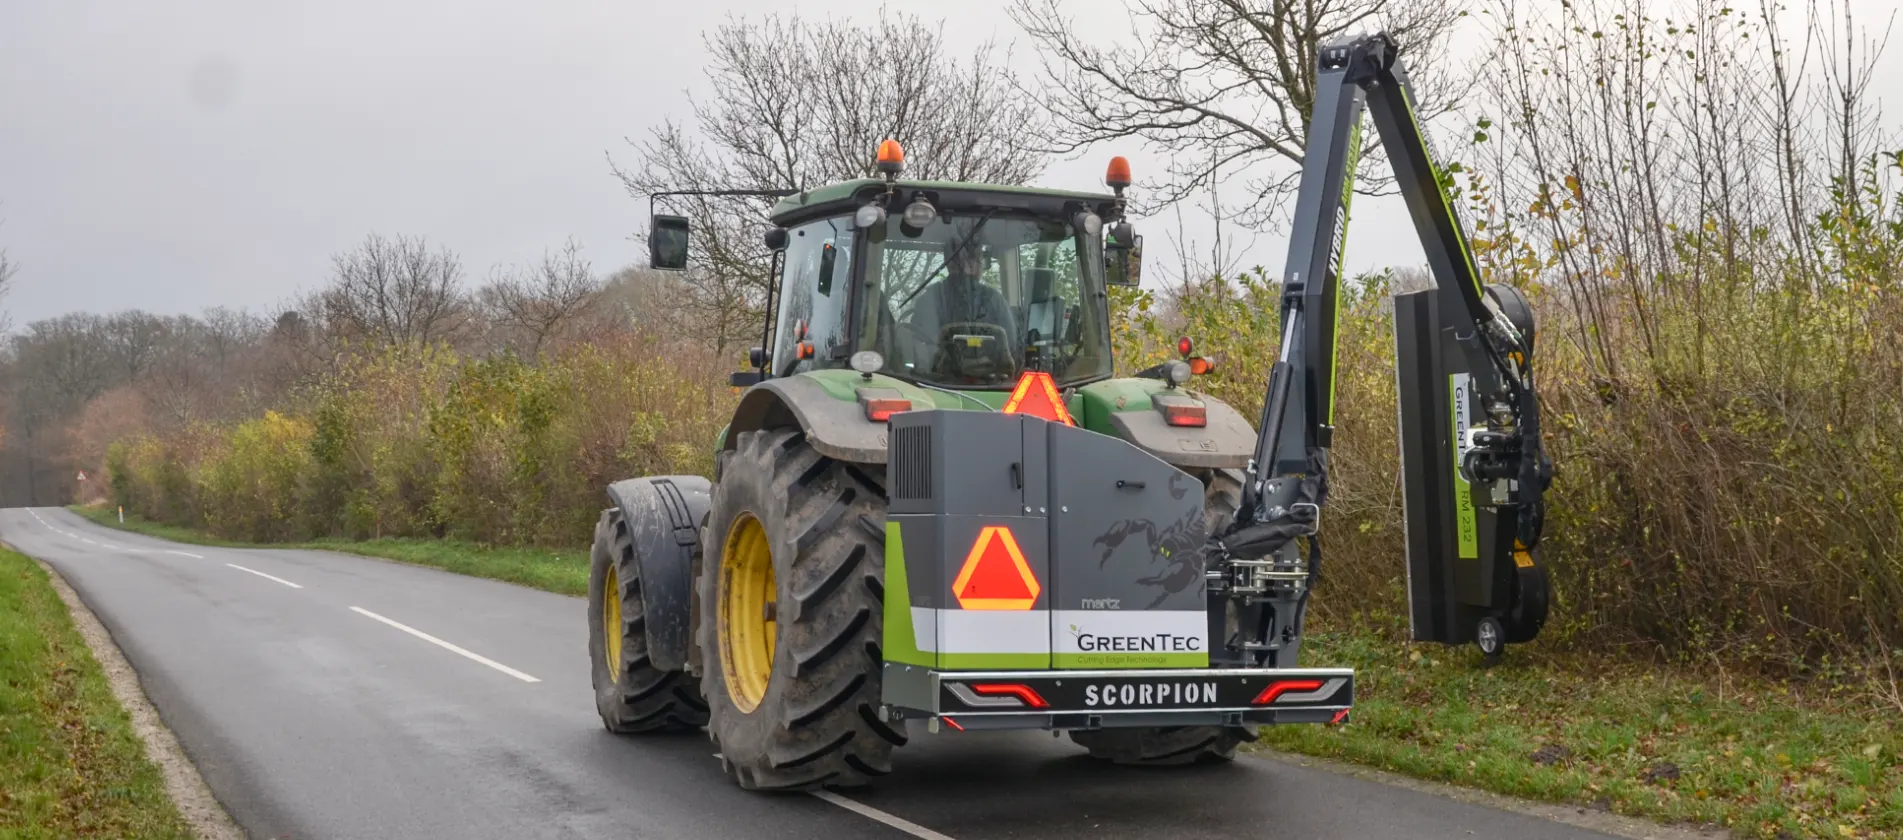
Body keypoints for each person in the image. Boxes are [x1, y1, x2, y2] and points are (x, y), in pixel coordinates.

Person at [909, 237, 1019, 377]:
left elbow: (1011, 347)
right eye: (963, 261)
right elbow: (919, 349)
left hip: (992, 381)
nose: (970, 267)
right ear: (949, 262)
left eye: (977, 260)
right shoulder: (930, 300)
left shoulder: (994, 300)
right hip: (936, 381)